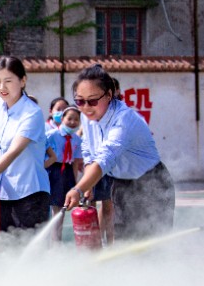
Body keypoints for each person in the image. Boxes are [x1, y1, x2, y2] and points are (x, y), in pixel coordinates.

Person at [64, 64, 175, 240]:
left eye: (92, 100)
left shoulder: (124, 119)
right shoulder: (87, 116)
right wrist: (88, 184)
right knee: (124, 241)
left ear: (109, 95)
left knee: (151, 245)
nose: (86, 107)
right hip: (121, 184)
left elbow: (106, 157)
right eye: (79, 101)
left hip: (151, 183)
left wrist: (78, 188)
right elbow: (88, 149)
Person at [0, 56, 54, 231]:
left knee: (27, 251)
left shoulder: (31, 113)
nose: (2, 87)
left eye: (8, 81)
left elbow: (13, 151)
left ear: (23, 81)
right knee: (6, 248)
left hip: (30, 193)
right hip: (4, 193)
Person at [45, 106, 83, 239]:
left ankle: (57, 239)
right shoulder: (51, 135)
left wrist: (75, 181)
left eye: (76, 119)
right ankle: (50, 241)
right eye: (69, 118)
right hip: (52, 170)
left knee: (62, 207)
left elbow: (76, 162)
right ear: (62, 119)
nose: (72, 122)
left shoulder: (77, 139)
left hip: (66, 171)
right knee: (52, 206)